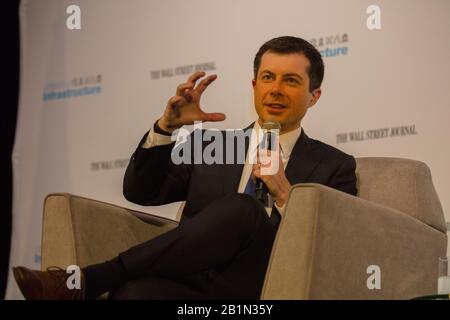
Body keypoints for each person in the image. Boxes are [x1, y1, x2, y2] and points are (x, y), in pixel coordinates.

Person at [12, 36, 357, 300]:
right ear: (254, 86)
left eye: (291, 81)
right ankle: (99, 283)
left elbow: (334, 249)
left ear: (314, 96)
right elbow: (141, 193)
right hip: (194, 288)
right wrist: (166, 128)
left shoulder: (334, 166)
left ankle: (88, 280)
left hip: (261, 290)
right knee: (133, 294)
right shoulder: (212, 146)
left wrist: (283, 193)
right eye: (268, 77)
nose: (276, 90)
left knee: (243, 208)